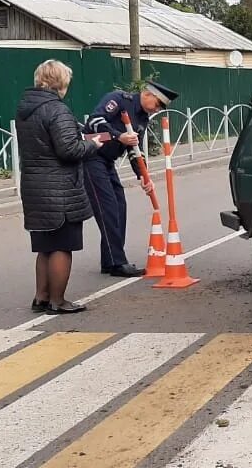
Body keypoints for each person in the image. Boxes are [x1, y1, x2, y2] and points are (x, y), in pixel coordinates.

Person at [15, 60, 101, 314]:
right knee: (62, 246)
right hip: (60, 190)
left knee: (44, 246)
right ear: (60, 82)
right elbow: (69, 150)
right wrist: (93, 144)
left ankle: (41, 297)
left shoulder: (25, 109)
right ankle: (58, 301)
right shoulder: (57, 110)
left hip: (34, 187)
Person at [83, 80, 178, 276]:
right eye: (158, 104)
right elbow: (94, 122)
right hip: (91, 156)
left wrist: (143, 176)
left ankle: (109, 260)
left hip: (108, 161)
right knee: (107, 208)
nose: (157, 109)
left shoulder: (143, 118)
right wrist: (118, 136)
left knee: (120, 207)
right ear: (147, 94)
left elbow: (135, 150)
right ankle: (118, 262)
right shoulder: (118, 99)